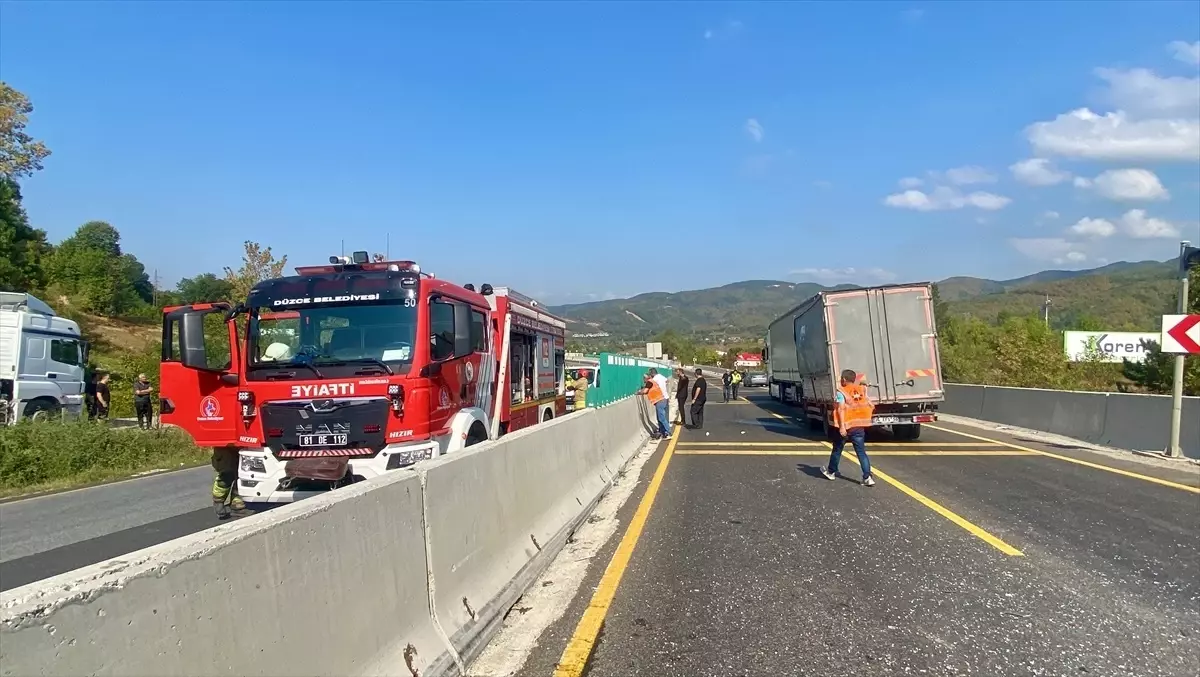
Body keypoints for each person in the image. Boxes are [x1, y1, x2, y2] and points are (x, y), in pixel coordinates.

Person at [822, 369, 876, 487]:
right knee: (861, 453)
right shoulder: (861, 390)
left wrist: (842, 427)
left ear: (844, 379)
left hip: (846, 426)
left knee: (837, 450)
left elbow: (841, 409)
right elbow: (870, 405)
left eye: (842, 378)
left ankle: (831, 472)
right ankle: (867, 477)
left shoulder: (842, 392)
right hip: (859, 427)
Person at [212, 446, 245, 511]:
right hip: (224, 445)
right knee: (226, 474)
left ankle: (237, 503)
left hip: (247, 445)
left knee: (243, 475)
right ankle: (218, 501)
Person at [640, 373, 671, 440]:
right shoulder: (652, 382)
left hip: (660, 401)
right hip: (661, 400)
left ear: (646, 378)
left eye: (643, 379)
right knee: (660, 418)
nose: (643, 380)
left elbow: (645, 391)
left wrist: (638, 392)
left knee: (662, 418)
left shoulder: (649, 382)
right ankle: (663, 433)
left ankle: (668, 433)